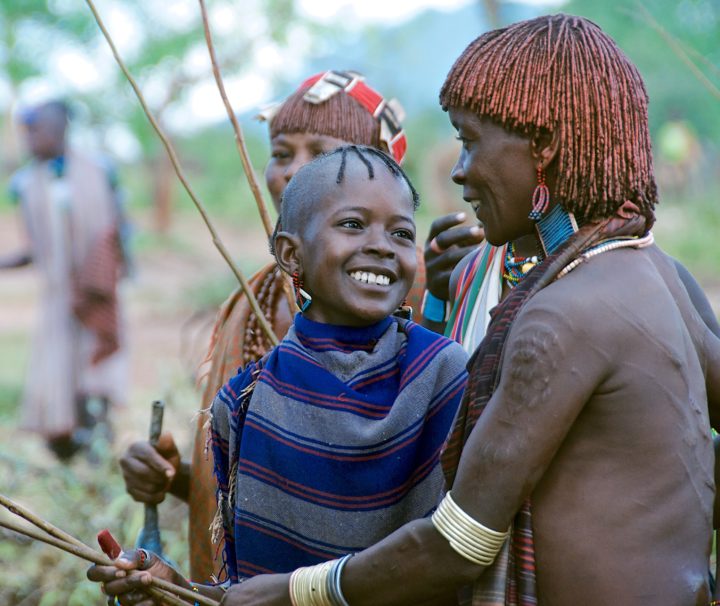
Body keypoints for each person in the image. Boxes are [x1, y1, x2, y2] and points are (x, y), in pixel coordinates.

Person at [109, 14, 718, 605]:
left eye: (470, 143)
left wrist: (293, 592)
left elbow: (458, 541)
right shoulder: (660, 275)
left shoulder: (559, 317)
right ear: (291, 251)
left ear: (544, 149)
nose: (459, 171)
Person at [88, 144, 469, 603]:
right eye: (352, 225)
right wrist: (174, 589)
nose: (381, 246)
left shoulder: (444, 375)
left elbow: (453, 555)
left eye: (401, 233)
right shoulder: (246, 401)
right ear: (291, 253)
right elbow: (250, 594)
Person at [118, 71, 431, 582]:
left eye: (321, 153)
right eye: (282, 152)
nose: (293, 172)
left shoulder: (418, 295)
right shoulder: (252, 300)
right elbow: (257, 481)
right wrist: (175, 476)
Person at [0, 100, 129, 461]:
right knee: (58, 375)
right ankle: (64, 454)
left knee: (97, 370)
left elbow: (119, 229)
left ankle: (97, 452)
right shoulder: (24, 184)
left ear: (58, 131)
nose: (28, 139)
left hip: (98, 291)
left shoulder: (99, 171)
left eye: (35, 130)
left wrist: (111, 274)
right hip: (58, 298)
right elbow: (34, 249)